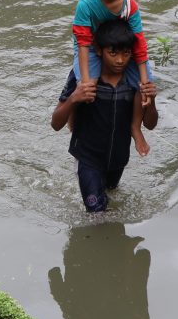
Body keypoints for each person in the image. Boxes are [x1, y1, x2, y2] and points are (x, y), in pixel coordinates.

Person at [51, 19, 151, 212]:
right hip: (87, 157)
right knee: (96, 213)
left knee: (110, 193)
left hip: (119, 159)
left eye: (126, 53)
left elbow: (151, 123)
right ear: (99, 50)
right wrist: (74, 98)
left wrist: (151, 99)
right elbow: (55, 124)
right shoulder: (82, 79)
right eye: (113, 53)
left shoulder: (134, 80)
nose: (120, 60)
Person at [70, 0, 156, 107]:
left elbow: (139, 42)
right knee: (87, 88)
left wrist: (144, 80)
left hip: (121, 46)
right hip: (91, 47)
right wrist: (86, 81)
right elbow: (83, 42)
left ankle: (136, 122)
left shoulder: (130, 5)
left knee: (145, 86)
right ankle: (72, 117)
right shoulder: (85, 4)